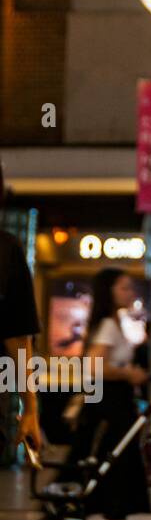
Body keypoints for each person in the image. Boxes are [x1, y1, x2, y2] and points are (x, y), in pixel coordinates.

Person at [70, 268, 151, 520]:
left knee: (114, 472)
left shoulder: (114, 322)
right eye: (124, 288)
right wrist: (128, 373)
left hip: (112, 406)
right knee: (116, 472)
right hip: (113, 410)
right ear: (109, 291)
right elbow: (94, 365)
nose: (131, 293)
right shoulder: (108, 324)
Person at [0, 161, 41, 466]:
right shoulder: (6, 251)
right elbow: (17, 339)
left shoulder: (8, 251)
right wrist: (30, 409)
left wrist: (30, 409)